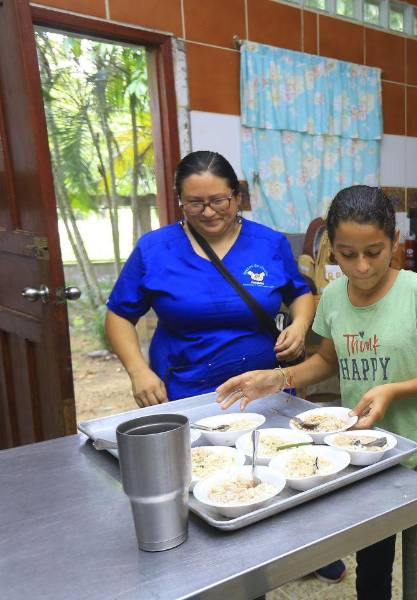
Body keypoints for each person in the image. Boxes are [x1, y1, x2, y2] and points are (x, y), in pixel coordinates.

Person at [216, 185, 417, 599]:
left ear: (394, 241)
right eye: (348, 254)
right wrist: (278, 378)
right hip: (364, 461)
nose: (362, 266)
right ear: (331, 248)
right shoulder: (333, 296)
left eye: (374, 252)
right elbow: (327, 361)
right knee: (371, 576)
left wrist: (393, 390)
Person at [105, 151, 347, 582]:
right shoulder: (155, 249)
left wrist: (299, 324)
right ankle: (213, 570)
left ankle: (298, 551)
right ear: (179, 200)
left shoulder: (269, 243)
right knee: (203, 479)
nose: (208, 211)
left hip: (263, 389)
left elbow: (299, 292)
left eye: (218, 200)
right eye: (194, 202)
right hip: (188, 392)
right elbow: (119, 315)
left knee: (279, 467)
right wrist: (138, 371)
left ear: (236, 197)